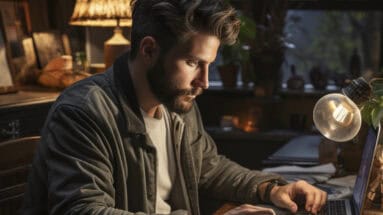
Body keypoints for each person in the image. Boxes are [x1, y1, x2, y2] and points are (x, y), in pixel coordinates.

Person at [22, 0, 327, 214]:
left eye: (208, 65)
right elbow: (84, 210)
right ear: (149, 50)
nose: (204, 82)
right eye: (193, 62)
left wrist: (271, 189)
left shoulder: (177, 103)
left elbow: (209, 168)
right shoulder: (83, 112)